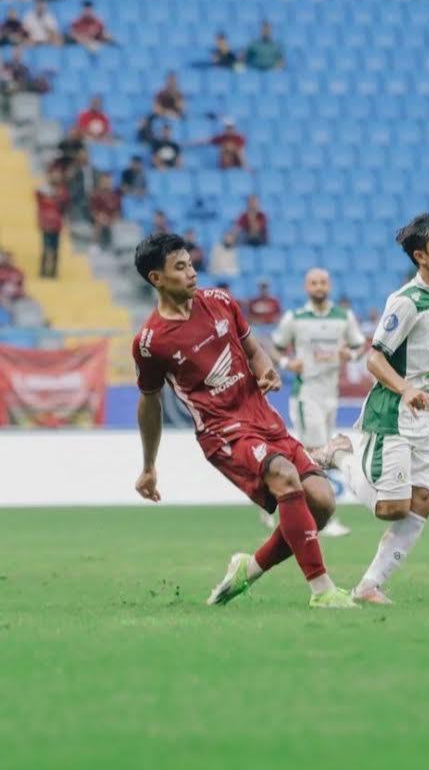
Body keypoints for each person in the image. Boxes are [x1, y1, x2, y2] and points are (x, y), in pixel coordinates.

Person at [130, 232, 356, 609]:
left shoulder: (220, 301)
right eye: (180, 267)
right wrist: (149, 466)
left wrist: (267, 370)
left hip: (263, 417)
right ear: (157, 278)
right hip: (223, 432)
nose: (192, 273)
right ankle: (323, 591)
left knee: (322, 502)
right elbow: (149, 403)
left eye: (191, 264)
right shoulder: (151, 342)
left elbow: (254, 349)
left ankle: (247, 570)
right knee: (284, 475)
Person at [338, 213, 429, 605]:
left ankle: (368, 586)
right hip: (394, 413)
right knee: (390, 508)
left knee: (424, 501)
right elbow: (374, 359)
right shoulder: (405, 302)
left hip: (428, 415)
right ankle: (342, 455)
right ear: (420, 256)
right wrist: (405, 388)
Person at [268, 268, 367, 538]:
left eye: (323, 282)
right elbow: (274, 346)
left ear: (329, 286)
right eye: (314, 282)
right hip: (306, 393)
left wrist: (352, 355)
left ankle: (278, 501)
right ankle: (324, 516)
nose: (319, 286)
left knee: (312, 455)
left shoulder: (343, 317)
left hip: (330, 394)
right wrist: (288, 363)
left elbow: (360, 347)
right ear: (306, 287)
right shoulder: (296, 318)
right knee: (316, 453)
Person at [36, 184, 67, 278]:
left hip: (56, 228)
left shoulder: (58, 202)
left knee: (55, 251)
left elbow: (65, 198)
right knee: (46, 250)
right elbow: (37, 192)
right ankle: (43, 271)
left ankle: (53, 272)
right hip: (47, 228)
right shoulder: (43, 202)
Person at [88, 172, 121, 250]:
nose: (107, 184)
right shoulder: (95, 195)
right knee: (99, 222)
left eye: (109, 182)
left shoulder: (115, 196)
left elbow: (117, 211)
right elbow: (93, 211)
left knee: (117, 223)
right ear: (101, 183)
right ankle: (94, 245)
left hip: (111, 218)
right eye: (105, 182)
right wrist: (100, 217)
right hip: (99, 218)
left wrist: (113, 219)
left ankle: (115, 246)